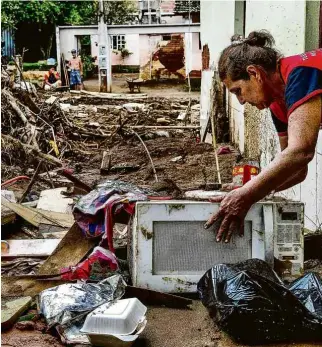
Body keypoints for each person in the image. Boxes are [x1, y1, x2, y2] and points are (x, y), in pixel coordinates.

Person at [205, 30, 322, 243]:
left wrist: (248, 194)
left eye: (238, 90)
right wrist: (250, 189)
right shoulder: (278, 103)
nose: (240, 101)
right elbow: (296, 169)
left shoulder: (301, 72)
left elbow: (300, 152)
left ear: (255, 73)